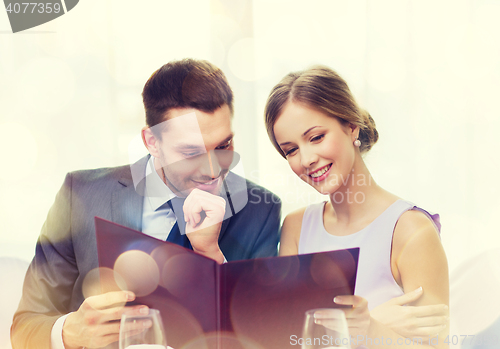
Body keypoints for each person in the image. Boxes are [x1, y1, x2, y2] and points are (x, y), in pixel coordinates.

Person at [11, 59, 281, 349]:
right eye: (191, 152)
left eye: (223, 146)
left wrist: (210, 255)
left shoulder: (259, 211)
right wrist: (67, 332)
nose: (213, 171)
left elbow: (262, 336)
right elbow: (25, 325)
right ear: (152, 142)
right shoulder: (80, 196)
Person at [264, 65, 448, 348]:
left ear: (351, 126)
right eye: (291, 150)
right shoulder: (296, 227)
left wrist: (370, 328)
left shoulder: (411, 230)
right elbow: (286, 340)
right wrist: (375, 323)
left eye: (316, 137)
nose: (307, 159)